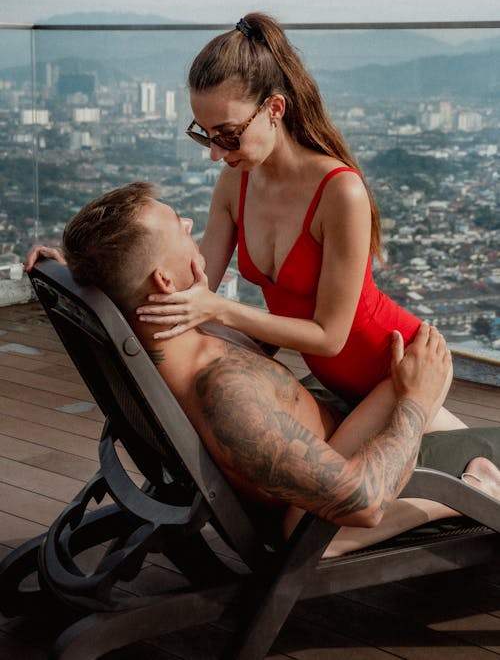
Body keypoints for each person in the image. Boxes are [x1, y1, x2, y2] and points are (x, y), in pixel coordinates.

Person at [24, 182, 500, 557]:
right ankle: (476, 488)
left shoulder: (157, 330)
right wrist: (413, 401)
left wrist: (78, 269)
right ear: (164, 281)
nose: (190, 222)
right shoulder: (223, 394)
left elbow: (119, 284)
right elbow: (362, 501)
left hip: (339, 430)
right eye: (180, 228)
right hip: (337, 495)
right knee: (465, 424)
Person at [133, 13, 463, 436]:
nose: (215, 153)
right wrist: (82, 266)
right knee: (473, 464)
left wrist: (219, 309)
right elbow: (195, 287)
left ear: (274, 109)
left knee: (323, 500)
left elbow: (329, 337)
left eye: (228, 135)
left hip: (398, 370)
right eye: (205, 135)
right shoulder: (235, 182)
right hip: (337, 383)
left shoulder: (340, 192)